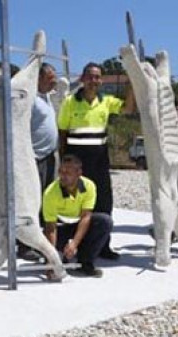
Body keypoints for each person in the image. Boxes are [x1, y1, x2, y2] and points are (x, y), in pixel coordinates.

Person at [57, 62, 134, 260]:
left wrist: (131, 83)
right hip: (77, 164)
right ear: (82, 79)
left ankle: (103, 246)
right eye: (90, 77)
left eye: (97, 77)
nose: (94, 81)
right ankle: (72, 245)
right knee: (75, 205)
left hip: (100, 163)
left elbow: (127, 108)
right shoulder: (69, 102)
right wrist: (64, 165)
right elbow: (62, 132)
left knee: (103, 204)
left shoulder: (106, 102)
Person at [42, 154, 113, 277]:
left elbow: (86, 216)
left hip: (79, 225)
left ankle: (86, 262)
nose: (63, 176)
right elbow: (50, 227)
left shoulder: (89, 186)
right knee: (52, 250)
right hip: (59, 228)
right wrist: (51, 260)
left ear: (79, 173)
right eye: (61, 171)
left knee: (104, 221)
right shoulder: (50, 192)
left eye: (68, 172)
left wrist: (74, 243)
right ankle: (56, 258)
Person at [18, 63, 60, 261]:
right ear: (39, 78)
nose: (55, 81)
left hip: (49, 157)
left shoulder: (46, 98)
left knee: (46, 201)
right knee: (30, 203)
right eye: (50, 77)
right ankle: (25, 245)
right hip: (33, 158)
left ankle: (41, 240)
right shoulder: (30, 99)